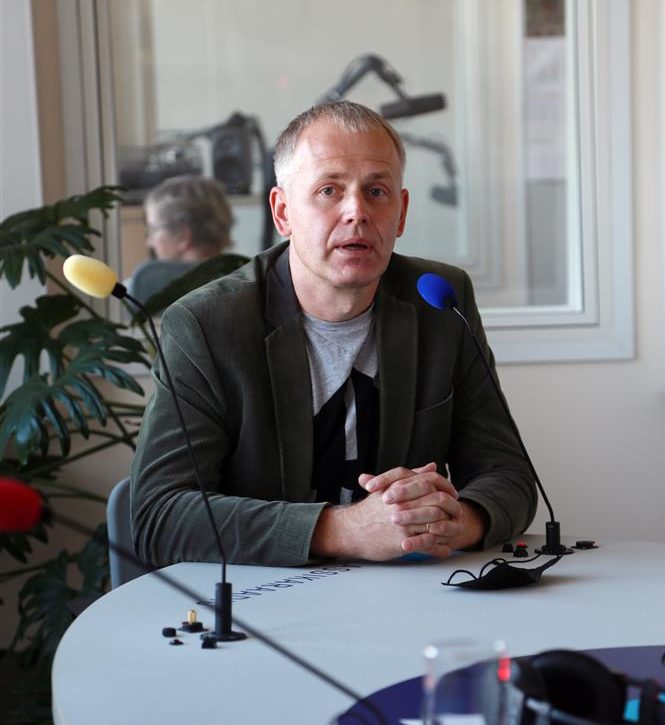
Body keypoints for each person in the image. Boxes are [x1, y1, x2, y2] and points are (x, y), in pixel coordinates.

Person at [130, 101, 537, 567]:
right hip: (259, 597)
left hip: (407, 591)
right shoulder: (207, 324)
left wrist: (459, 519)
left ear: (401, 213)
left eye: (377, 191)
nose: (356, 212)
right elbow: (159, 516)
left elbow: (508, 473)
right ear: (283, 212)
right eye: (329, 190)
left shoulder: (441, 302)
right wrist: (344, 529)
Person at [126, 174, 234, 303]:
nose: (149, 242)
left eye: (153, 229)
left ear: (182, 236)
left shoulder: (141, 289)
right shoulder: (246, 283)